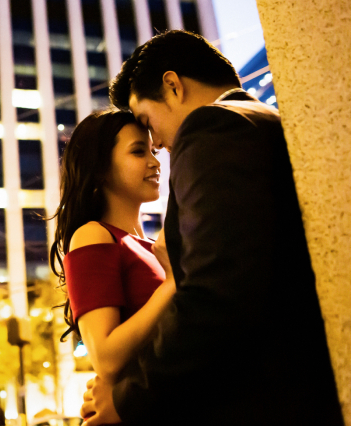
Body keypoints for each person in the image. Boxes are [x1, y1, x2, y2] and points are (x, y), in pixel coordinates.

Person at [79, 30, 343, 425]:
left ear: (173, 85)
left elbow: (217, 292)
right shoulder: (262, 120)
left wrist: (129, 397)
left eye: (149, 123)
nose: (160, 145)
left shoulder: (211, 129)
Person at [49, 108, 176, 385]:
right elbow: (105, 357)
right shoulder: (92, 235)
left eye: (153, 151)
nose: (155, 163)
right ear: (101, 169)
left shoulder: (150, 245)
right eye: (138, 152)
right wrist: (171, 284)